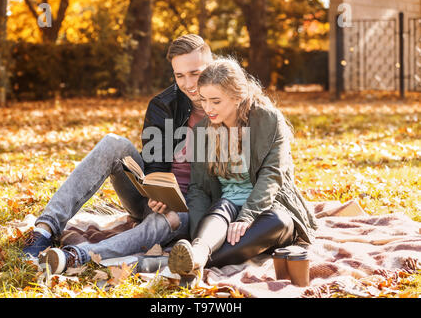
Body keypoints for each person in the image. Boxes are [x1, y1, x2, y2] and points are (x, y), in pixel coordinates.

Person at [22, 34, 213, 274]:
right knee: (113, 143)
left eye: (195, 73)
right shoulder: (164, 104)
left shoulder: (227, 105)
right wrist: (155, 192)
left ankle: (76, 256)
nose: (188, 84)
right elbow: (155, 166)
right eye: (179, 76)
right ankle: (44, 230)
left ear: (211, 66)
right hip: (156, 201)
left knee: (173, 217)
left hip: (194, 209)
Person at [166, 57, 318, 283]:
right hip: (224, 209)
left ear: (237, 97)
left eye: (216, 101)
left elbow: (272, 175)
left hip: (269, 207)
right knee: (220, 210)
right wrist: (198, 236)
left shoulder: (268, 120)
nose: (208, 108)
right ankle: (197, 254)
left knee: (279, 221)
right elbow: (198, 188)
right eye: (204, 100)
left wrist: (247, 216)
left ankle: (194, 262)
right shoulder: (201, 131)